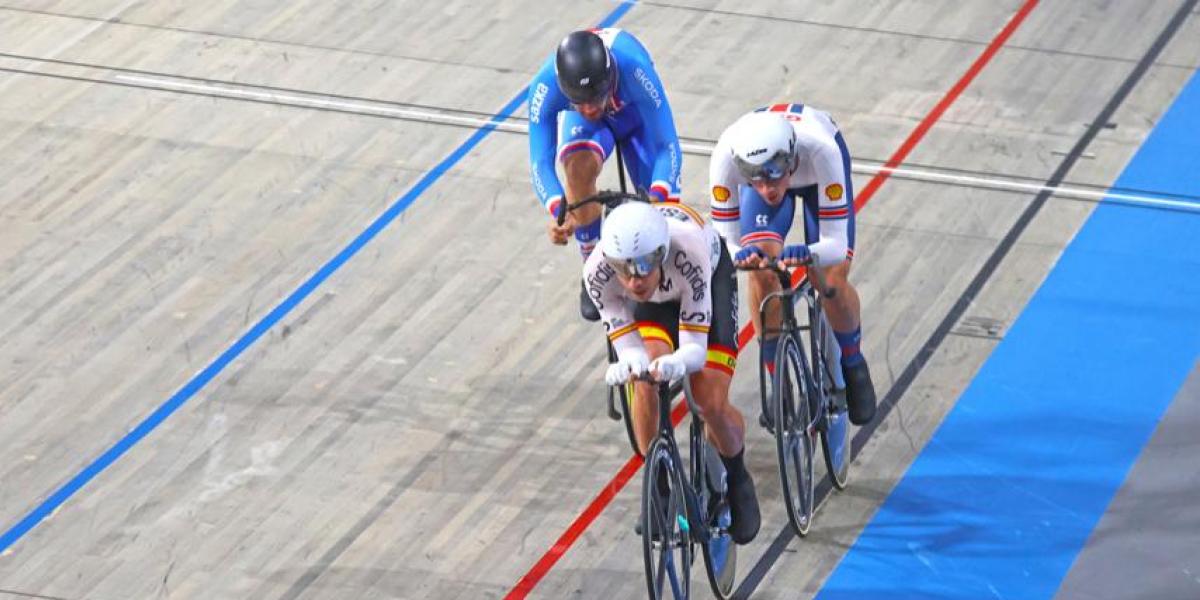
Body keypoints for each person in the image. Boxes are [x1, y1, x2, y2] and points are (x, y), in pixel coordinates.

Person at [586, 199, 760, 545]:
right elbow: (628, 347)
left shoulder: (687, 253)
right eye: (624, 268)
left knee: (709, 401)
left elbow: (694, 347)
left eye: (642, 266)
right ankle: (659, 488)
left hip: (707, 283)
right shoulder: (598, 273)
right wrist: (633, 365)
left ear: (661, 253)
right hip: (655, 306)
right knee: (646, 376)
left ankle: (738, 477)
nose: (634, 280)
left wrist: (679, 363)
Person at [709, 105, 877, 425]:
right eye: (755, 179)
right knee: (761, 273)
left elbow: (836, 243)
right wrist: (743, 255)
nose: (766, 188)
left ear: (789, 158)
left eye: (773, 175)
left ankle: (853, 363)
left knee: (830, 278)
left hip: (817, 179)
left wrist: (811, 251)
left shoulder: (822, 151)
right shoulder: (726, 157)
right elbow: (722, 244)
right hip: (779, 162)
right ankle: (777, 376)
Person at [528, 28, 684, 321]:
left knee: (664, 210)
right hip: (592, 131)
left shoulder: (633, 67)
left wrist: (658, 197)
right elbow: (540, 162)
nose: (588, 109)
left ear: (609, 78)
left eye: (594, 98)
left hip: (636, 117)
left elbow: (667, 145)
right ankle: (592, 267)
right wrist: (560, 211)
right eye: (578, 101)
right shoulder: (545, 85)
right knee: (576, 166)